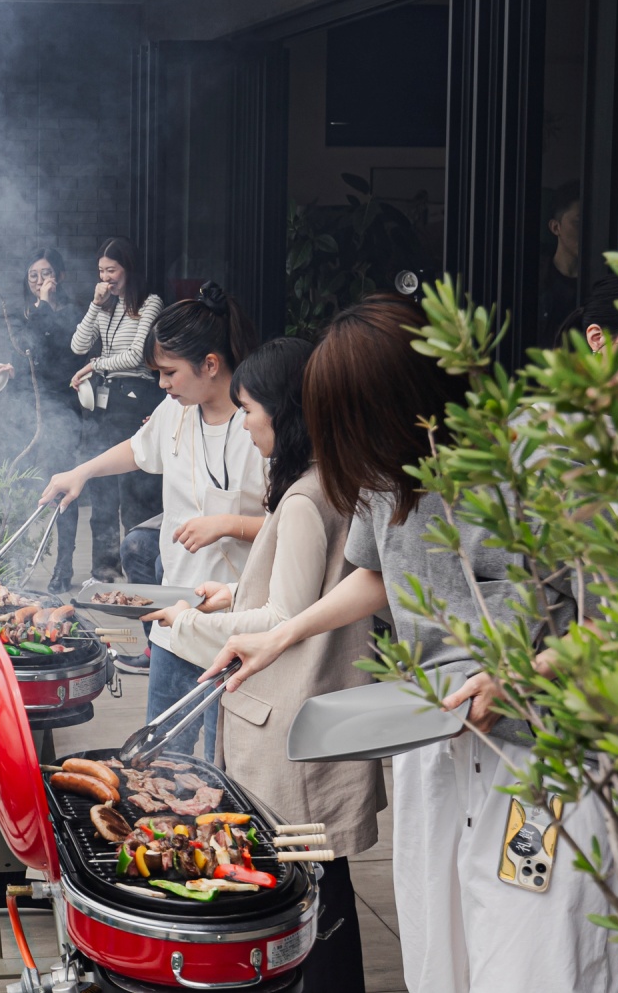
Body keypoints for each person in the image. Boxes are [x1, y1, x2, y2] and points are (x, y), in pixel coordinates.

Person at [202, 295, 618, 993]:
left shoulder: (543, 458)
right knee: (438, 954)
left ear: (403, 401)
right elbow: (376, 572)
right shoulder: (387, 469)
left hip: (537, 760)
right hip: (434, 738)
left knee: (530, 961)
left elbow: (616, 621)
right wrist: (281, 634)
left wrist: (522, 675)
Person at [143, 336, 380, 993]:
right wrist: (231, 595)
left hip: (291, 724)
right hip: (316, 714)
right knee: (323, 887)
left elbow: (283, 621)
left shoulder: (304, 497)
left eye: (249, 411)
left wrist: (189, 623)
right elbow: (289, 597)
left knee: (311, 894)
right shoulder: (329, 481)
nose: (244, 425)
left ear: (282, 411)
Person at [43, 283, 266, 748]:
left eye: (169, 373)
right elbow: (140, 450)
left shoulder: (259, 427)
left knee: (218, 763)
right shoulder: (176, 410)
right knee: (160, 753)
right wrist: (81, 472)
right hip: (173, 615)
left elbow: (293, 525)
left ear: (210, 364)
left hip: (237, 621)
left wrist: (228, 524)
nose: (161, 384)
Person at [0, 248, 87, 591]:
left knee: (63, 490)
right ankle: (14, 564)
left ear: (60, 276)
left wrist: (45, 304)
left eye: (46, 273)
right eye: (33, 276)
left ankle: (63, 569)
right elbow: (26, 354)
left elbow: (66, 355)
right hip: (32, 413)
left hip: (63, 412)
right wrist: (11, 368)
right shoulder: (27, 313)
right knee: (25, 485)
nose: (40, 281)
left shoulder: (72, 314)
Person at [68, 237, 165, 583]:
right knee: (102, 486)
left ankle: (140, 564)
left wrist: (96, 365)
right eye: (101, 271)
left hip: (134, 397)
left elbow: (136, 356)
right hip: (104, 403)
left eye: (112, 270)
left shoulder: (149, 303)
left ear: (128, 270)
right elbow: (77, 345)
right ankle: (104, 568)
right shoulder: (105, 306)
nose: (106, 277)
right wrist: (95, 305)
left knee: (135, 489)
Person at [539, 183, 584, 346]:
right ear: (555, 227)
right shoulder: (537, 280)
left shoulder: (600, 282)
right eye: (578, 224)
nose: (586, 231)